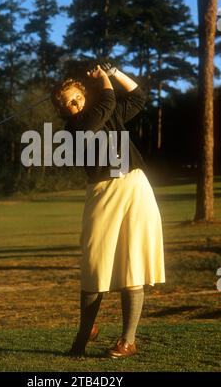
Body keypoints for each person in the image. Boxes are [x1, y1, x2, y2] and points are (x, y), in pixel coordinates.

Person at [51, 64, 165, 358]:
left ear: (84, 96)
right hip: (102, 192)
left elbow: (138, 97)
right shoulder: (75, 127)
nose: (73, 106)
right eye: (67, 105)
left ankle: (128, 341)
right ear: (63, 112)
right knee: (94, 264)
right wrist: (102, 78)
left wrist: (114, 72)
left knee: (133, 263)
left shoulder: (108, 110)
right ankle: (84, 333)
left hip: (135, 186)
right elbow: (106, 105)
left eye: (76, 98)